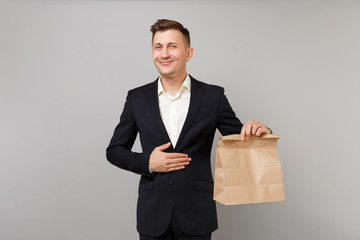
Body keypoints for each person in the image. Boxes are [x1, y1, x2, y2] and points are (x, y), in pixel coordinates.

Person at [106, 19, 272, 240]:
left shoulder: (213, 96)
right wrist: (147, 162)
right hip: (153, 214)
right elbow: (114, 150)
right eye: (158, 47)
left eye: (172, 46)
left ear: (189, 53)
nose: (164, 53)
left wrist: (262, 131)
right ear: (152, 52)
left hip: (197, 213)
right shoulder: (137, 98)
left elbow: (242, 139)